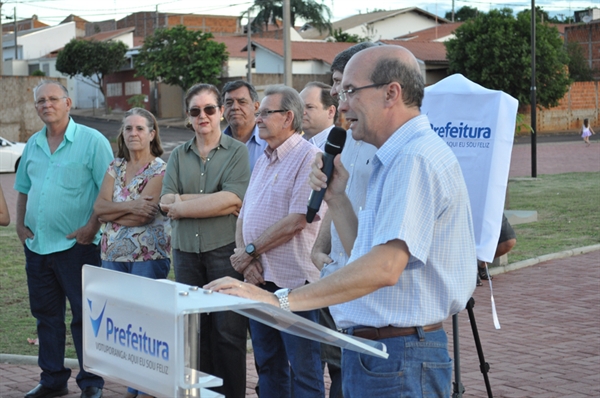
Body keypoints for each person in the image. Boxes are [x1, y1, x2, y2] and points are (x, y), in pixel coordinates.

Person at [206, 45, 477, 397]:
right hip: (378, 351)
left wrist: (279, 301)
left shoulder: (414, 158)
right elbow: (362, 256)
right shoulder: (393, 157)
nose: (341, 102)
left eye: (349, 90)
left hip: (400, 356)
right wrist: (336, 198)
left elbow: (384, 268)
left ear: (391, 92)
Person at [15, 80, 112, 398]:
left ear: (68, 103)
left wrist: (91, 227)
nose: (46, 105)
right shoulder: (32, 143)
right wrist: (20, 224)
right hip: (38, 246)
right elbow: (24, 187)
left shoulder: (92, 141)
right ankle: (53, 379)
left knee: (86, 315)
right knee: (46, 316)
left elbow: (106, 191)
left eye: (53, 99)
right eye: (40, 101)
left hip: (78, 246)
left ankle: (92, 382)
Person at [228, 84, 326, 397]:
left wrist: (250, 252)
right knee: (268, 365)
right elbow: (245, 213)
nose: (257, 118)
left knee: (304, 371)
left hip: (295, 286)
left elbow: (298, 219)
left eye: (265, 112)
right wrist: (245, 260)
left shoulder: (310, 157)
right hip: (258, 280)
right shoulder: (263, 158)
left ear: (288, 117)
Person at [159, 83, 250, 398]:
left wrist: (182, 206)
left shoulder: (238, 152)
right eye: (196, 111)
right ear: (188, 116)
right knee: (195, 333)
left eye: (210, 109)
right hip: (185, 254)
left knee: (228, 332)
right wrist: (205, 201)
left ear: (221, 112)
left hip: (223, 252)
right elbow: (164, 199)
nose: (203, 116)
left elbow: (232, 200)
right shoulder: (178, 155)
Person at [309, 42, 378, 398]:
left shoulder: (392, 147)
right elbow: (337, 199)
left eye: (344, 84)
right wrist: (319, 247)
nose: (336, 92)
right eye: (336, 83)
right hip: (338, 278)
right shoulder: (346, 137)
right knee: (339, 378)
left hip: (375, 308)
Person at [93, 108, 171, 398]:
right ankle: (131, 386)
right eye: (128, 129)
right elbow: (98, 209)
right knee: (122, 324)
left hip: (147, 258)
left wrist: (113, 214)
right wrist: (128, 207)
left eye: (140, 128)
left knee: (146, 324)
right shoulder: (115, 166)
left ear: (152, 134)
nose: (133, 134)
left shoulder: (161, 169)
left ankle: (147, 386)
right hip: (111, 257)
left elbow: (145, 216)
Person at [222, 80, 267, 171]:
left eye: (242, 102)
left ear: (256, 107)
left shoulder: (270, 143)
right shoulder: (216, 143)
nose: (235, 107)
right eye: (229, 103)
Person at [477, 213, 516, 285]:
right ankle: (472, 270)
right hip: (469, 206)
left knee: (509, 241)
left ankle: (481, 264)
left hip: (493, 206)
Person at [299, 81, 338, 147]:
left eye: (309, 107)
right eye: (299, 107)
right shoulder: (295, 145)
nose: (302, 112)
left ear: (331, 112)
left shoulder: (341, 146)